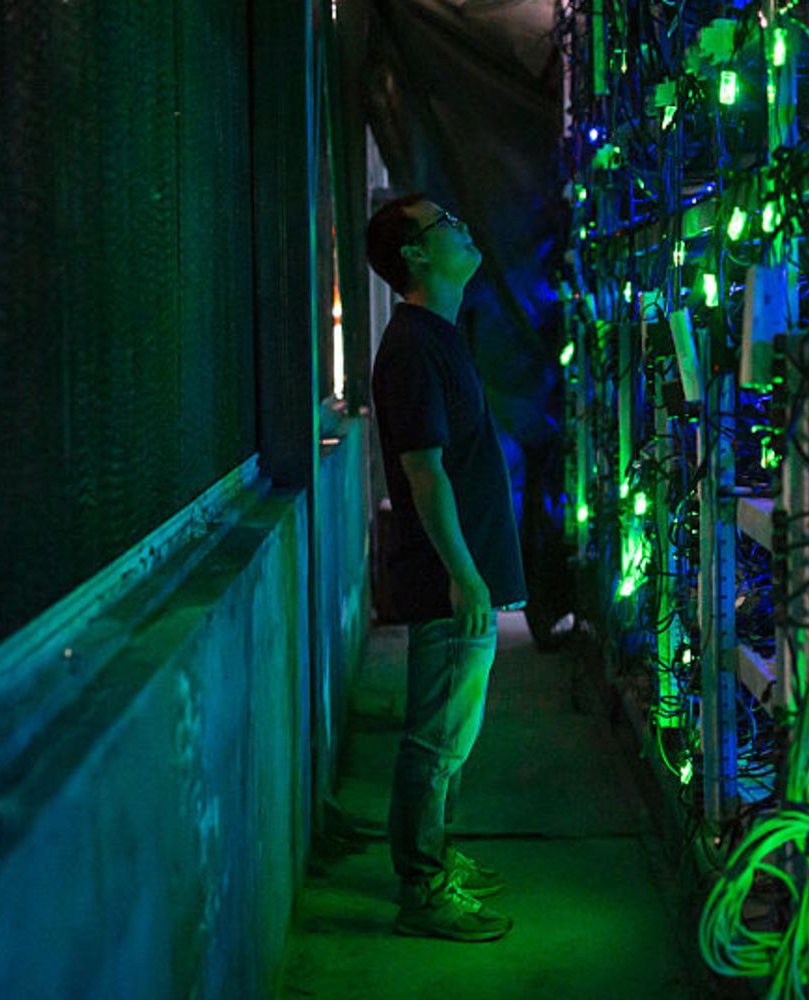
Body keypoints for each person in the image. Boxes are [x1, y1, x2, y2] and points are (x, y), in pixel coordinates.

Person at [365, 194, 528, 942]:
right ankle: (421, 889)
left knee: (450, 739)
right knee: (433, 742)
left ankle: (435, 859)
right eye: (446, 224)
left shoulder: (437, 335)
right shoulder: (411, 347)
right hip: (445, 578)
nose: (464, 226)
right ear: (416, 256)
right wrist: (461, 573)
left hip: (463, 572)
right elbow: (424, 471)